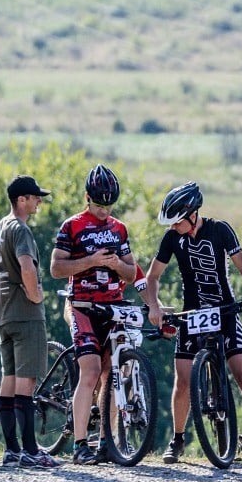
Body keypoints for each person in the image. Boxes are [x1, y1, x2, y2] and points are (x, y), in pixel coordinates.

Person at [146, 181, 242, 464]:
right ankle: (177, 440)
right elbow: (152, 277)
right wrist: (154, 306)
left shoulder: (220, 230)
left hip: (225, 311)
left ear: (193, 215)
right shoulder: (172, 239)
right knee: (182, 380)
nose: (172, 227)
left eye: (177, 221)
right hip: (192, 313)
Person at [50, 164, 150, 465]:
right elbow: (56, 268)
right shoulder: (72, 226)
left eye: (109, 206)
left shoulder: (119, 229)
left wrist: (118, 266)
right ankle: (80, 445)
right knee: (91, 370)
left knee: (112, 372)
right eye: (98, 205)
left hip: (112, 305)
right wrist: (91, 260)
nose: (104, 211)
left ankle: (107, 441)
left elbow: (133, 272)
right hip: (82, 305)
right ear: (86, 198)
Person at [0, 175, 62, 469]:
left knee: (9, 381)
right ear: (21, 200)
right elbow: (26, 266)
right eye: (34, 197)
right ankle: (31, 451)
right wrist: (36, 295)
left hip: (2, 314)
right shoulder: (20, 230)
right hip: (25, 314)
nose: (38, 201)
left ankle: (12, 449)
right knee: (27, 383)